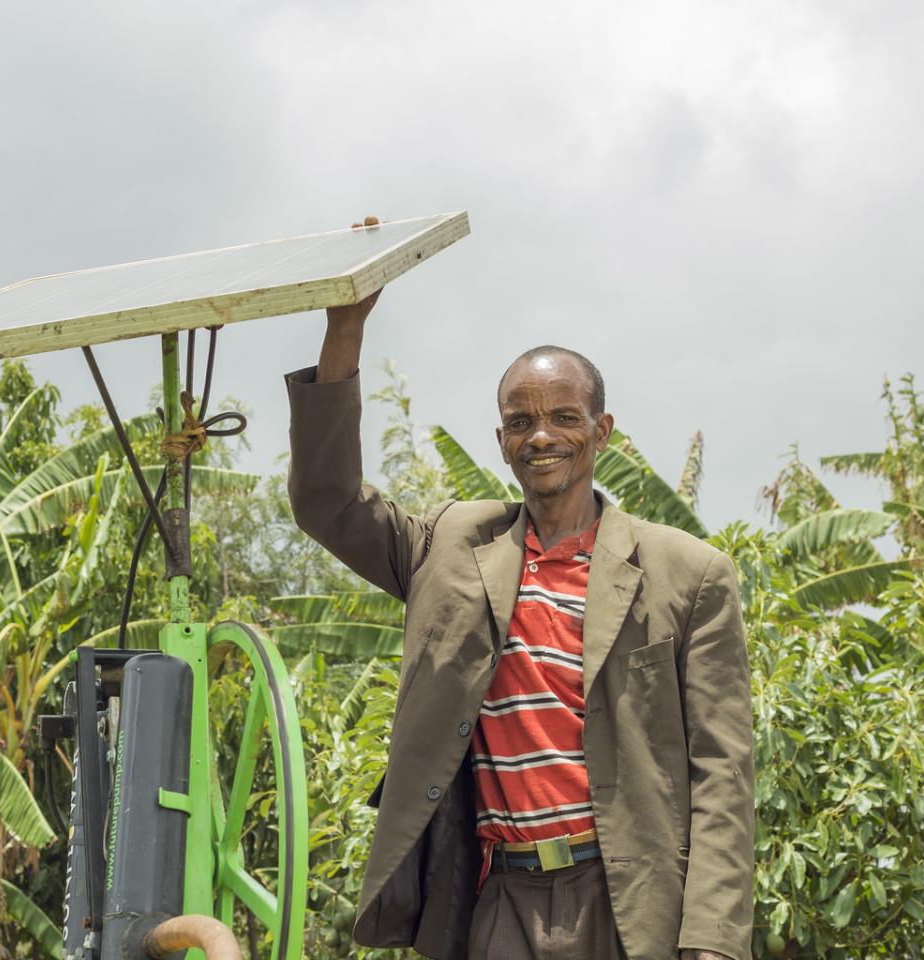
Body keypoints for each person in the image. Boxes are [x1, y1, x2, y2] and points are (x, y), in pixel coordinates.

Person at [285, 281, 754, 960]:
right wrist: (346, 329)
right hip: (500, 898)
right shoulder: (448, 545)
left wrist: (711, 940)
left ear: (602, 431)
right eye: (519, 421)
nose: (542, 436)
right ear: (501, 441)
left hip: (628, 901)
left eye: (565, 417)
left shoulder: (688, 572)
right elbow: (328, 502)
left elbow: (723, 769)